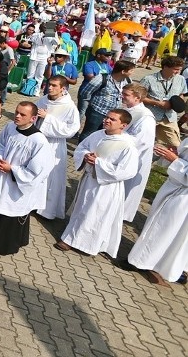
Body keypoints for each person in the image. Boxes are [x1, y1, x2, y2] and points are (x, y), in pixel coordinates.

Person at [56, 109, 138, 258]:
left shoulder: (127, 145)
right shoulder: (97, 134)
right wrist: (85, 155)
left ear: (123, 125)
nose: (106, 120)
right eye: (106, 117)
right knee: (82, 209)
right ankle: (71, 237)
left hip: (106, 186)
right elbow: (81, 148)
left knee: (95, 214)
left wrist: (98, 163)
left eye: (112, 119)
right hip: (89, 180)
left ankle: (85, 244)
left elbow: (128, 171)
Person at [0, 102, 52, 256]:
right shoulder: (10, 127)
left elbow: (39, 170)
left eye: (22, 115)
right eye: (16, 112)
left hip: (17, 183)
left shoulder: (38, 141)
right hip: (3, 177)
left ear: (33, 118)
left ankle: (2, 246)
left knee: (11, 213)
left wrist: (12, 170)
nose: (17, 116)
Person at [124, 139, 188, 284]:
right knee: (166, 230)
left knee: (163, 229)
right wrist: (172, 155)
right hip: (174, 186)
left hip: (183, 196)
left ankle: (141, 261)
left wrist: (175, 160)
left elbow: (180, 164)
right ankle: (157, 263)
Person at [34, 76, 81, 220]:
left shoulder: (69, 107)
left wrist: (48, 118)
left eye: (54, 85)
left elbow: (71, 130)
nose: (50, 88)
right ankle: (33, 203)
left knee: (51, 176)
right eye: (49, 84)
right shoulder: (43, 100)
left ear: (63, 89)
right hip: (38, 140)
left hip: (55, 144)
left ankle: (47, 210)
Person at [120, 83, 157, 223]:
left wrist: (119, 141)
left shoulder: (146, 117)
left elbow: (142, 142)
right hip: (121, 154)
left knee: (125, 191)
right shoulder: (129, 110)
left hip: (134, 159)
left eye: (126, 95)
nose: (122, 97)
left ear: (138, 97)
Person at [77, 60, 136, 142]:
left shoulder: (127, 81)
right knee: (89, 133)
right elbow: (85, 93)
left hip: (114, 114)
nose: (132, 73)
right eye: (131, 71)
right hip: (97, 112)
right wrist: (90, 105)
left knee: (105, 134)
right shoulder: (102, 78)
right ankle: (81, 150)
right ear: (123, 71)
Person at [140, 55, 188, 149]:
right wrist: (157, 103)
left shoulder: (180, 79)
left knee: (176, 145)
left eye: (179, 69)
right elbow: (139, 97)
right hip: (150, 116)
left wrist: (177, 103)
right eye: (175, 69)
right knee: (143, 143)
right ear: (165, 67)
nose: (178, 72)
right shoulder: (149, 79)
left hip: (169, 118)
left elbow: (181, 94)